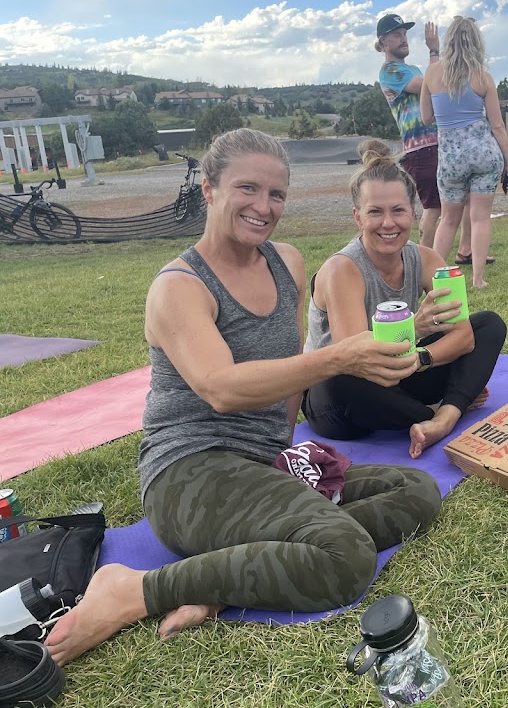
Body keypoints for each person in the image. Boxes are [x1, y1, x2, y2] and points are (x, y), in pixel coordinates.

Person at [46, 129, 442, 665]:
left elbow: (288, 375)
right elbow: (221, 388)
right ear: (209, 189)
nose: (264, 206)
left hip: (261, 463)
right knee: (345, 558)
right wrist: (338, 357)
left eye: (276, 194)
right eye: (247, 188)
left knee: (416, 490)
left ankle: (225, 574)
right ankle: (134, 589)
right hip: (189, 472)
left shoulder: (287, 262)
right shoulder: (179, 287)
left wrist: (284, 450)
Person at [302, 139, 507, 457]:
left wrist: (421, 358)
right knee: (340, 381)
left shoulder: (426, 259)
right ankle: (435, 411)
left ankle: (444, 417)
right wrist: (415, 328)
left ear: (413, 214)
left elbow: (464, 337)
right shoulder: (342, 269)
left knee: (488, 325)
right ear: (358, 218)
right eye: (375, 212)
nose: (388, 223)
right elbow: (355, 359)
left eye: (398, 210)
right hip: (341, 395)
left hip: (398, 373)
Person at [420, 16, 508, 290]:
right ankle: (477, 279)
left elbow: (426, 117)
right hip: (484, 154)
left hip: (451, 158)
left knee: (448, 220)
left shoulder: (432, 73)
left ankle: (435, 278)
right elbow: (497, 126)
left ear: (448, 41)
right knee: (480, 217)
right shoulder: (483, 77)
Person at [376, 13, 475, 257]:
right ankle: (425, 260)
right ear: (383, 41)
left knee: (463, 196)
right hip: (421, 148)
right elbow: (429, 86)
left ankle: (464, 250)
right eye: (397, 35)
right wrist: (434, 51)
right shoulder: (390, 71)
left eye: (404, 34)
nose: (403, 39)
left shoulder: (411, 69)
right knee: (434, 206)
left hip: (437, 144)